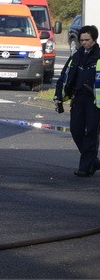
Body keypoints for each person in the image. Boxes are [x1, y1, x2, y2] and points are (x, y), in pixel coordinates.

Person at [55, 24, 100, 177]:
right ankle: (93, 161)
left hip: (94, 102)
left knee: (91, 134)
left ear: (94, 39)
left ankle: (85, 168)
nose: (84, 43)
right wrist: (58, 96)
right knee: (76, 131)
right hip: (78, 98)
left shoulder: (99, 56)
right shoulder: (76, 56)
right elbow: (64, 76)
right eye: (81, 40)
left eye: (87, 40)